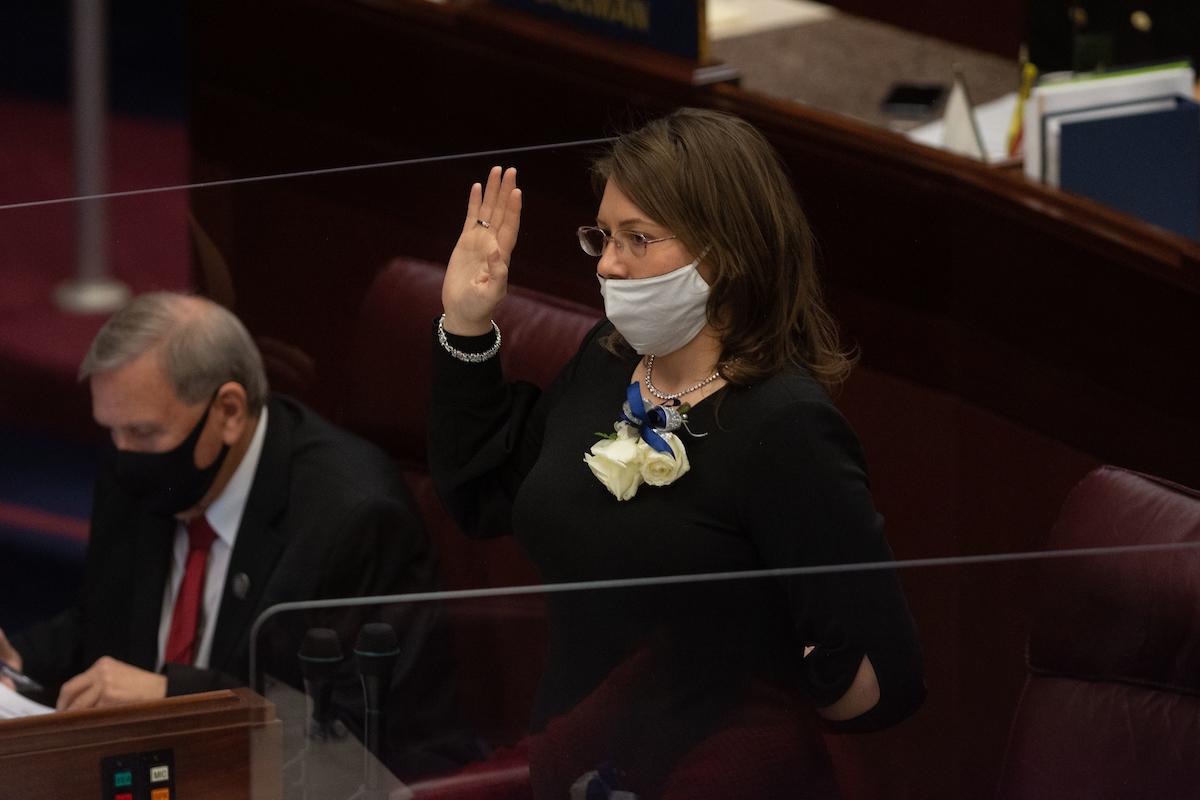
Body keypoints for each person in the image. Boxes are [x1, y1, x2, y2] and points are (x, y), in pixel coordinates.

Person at [429, 109, 926, 798]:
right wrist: (467, 321)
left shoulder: (785, 429)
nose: (608, 262)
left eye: (637, 238)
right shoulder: (608, 362)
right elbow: (484, 496)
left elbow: (883, 673)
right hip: (571, 762)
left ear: (725, 252)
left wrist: (747, 687)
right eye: (604, 237)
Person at [0, 292, 470, 779]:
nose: (122, 456)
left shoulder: (355, 521)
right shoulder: (136, 463)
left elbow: (366, 746)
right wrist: (19, 661)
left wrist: (176, 699)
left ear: (228, 411)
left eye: (142, 433)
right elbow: (102, 621)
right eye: (112, 432)